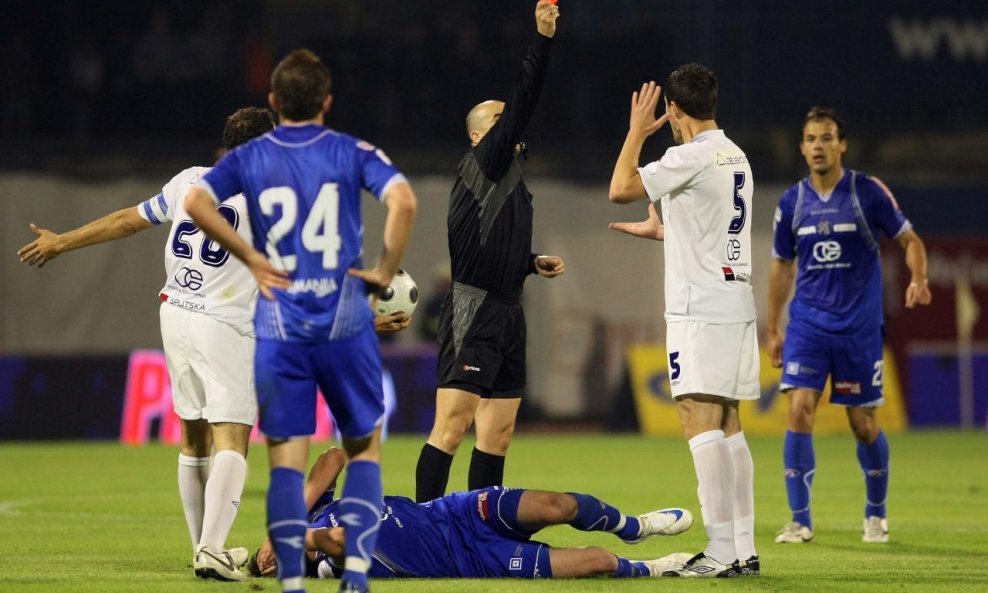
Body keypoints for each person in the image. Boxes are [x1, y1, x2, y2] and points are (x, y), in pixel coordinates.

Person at [184, 49, 417, 593]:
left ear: (273, 101)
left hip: (281, 326)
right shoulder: (349, 150)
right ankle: (355, 577)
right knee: (361, 448)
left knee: (287, 455)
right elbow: (403, 202)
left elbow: (196, 202)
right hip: (340, 319)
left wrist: (253, 259)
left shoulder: (251, 158)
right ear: (327, 102)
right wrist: (383, 270)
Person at [17, 106, 276, 581]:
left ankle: (202, 547)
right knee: (233, 437)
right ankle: (212, 548)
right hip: (222, 324)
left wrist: (61, 242)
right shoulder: (270, 198)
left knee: (194, 436)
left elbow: (126, 221)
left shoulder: (189, 180)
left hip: (175, 313)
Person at [607, 65, 760, 578]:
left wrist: (635, 131)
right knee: (730, 424)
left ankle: (718, 553)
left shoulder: (687, 154)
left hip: (700, 307)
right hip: (736, 301)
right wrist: (666, 231)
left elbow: (621, 186)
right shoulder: (735, 154)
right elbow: (712, 227)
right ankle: (742, 548)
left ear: (672, 110)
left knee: (697, 419)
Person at [415, 0, 566, 505]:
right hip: (474, 309)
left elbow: (485, 240)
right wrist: (541, 41)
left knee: (496, 435)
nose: (511, 125)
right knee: (451, 427)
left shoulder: (509, 178)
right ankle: (421, 529)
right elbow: (524, 99)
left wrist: (528, 262)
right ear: (481, 135)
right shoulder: (485, 161)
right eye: (499, 120)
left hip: (507, 309)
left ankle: (482, 533)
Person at [768, 107, 931, 545]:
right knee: (799, 408)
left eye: (826, 138)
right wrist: (773, 327)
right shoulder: (792, 202)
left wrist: (919, 277)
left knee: (863, 424)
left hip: (857, 329)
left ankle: (875, 514)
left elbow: (909, 240)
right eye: (810, 139)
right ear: (802, 147)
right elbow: (782, 267)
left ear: (842, 144)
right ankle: (799, 520)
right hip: (808, 326)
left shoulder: (867, 192)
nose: (818, 146)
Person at [250, 448, 695, 581]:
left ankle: (635, 527)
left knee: (562, 505)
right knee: (597, 561)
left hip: (460, 512)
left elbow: (333, 457)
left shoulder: (313, 514)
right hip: (474, 561)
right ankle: (654, 570)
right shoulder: (331, 564)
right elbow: (339, 541)